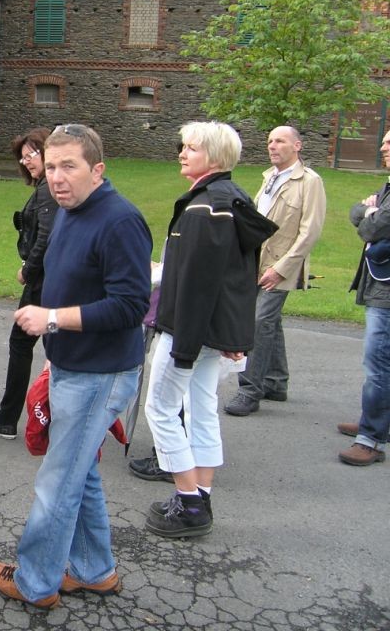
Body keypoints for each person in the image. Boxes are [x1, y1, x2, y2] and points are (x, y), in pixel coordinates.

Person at [0, 123, 151, 610]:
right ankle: (94, 570)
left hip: (100, 375)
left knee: (58, 482)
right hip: (71, 366)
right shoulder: (69, 211)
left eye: (69, 166)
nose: (56, 177)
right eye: (52, 166)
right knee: (81, 472)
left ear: (97, 170)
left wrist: (52, 318)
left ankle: (36, 583)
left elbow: (130, 305)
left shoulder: (120, 221)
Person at [144, 122, 275, 539]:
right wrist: (232, 337)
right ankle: (200, 493)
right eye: (182, 146)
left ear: (215, 157)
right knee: (201, 408)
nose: (182, 153)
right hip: (209, 332)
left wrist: (184, 345)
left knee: (161, 409)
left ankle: (189, 503)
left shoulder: (205, 209)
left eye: (192, 148)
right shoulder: (229, 199)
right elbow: (237, 278)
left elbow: (200, 284)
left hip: (188, 331)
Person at [224, 125, 327, 416]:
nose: (272, 146)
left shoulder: (309, 181)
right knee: (270, 321)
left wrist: (282, 269)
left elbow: (310, 231)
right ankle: (275, 382)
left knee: (258, 322)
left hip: (282, 267)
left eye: (280, 141)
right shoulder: (270, 177)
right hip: (257, 263)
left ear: (297, 146)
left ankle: (249, 390)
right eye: (270, 140)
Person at [0, 128, 58, 439]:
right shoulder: (48, 187)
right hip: (50, 281)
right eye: (23, 158)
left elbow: (46, 236)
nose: (27, 161)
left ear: (47, 151)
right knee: (51, 348)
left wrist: (27, 270)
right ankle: (46, 419)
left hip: (42, 283)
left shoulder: (47, 190)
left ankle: (8, 419)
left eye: (32, 154)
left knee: (28, 346)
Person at [338, 129, 390, 466]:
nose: (383, 146)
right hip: (379, 285)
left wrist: (371, 214)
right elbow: (356, 212)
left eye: (389, 142)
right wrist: (368, 211)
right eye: (383, 140)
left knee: (378, 364)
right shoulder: (386, 188)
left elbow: (371, 228)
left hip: (386, 292)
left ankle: (370, 438)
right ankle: (376, 420)